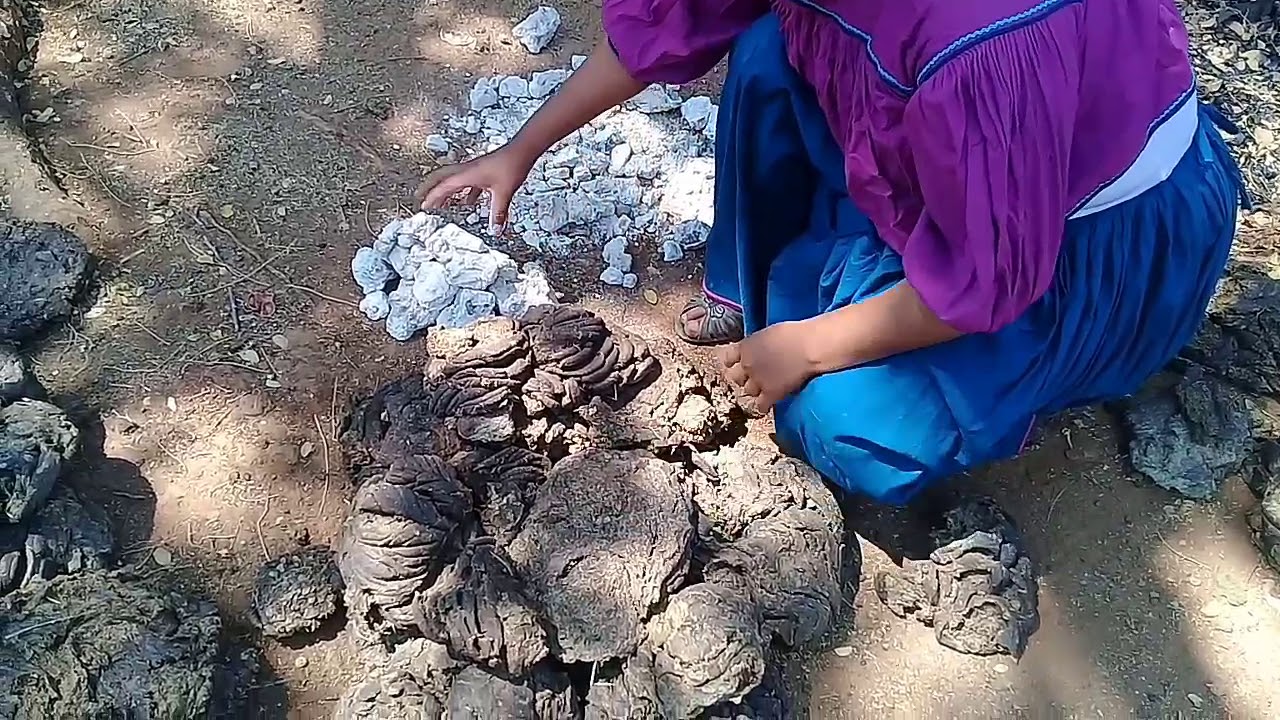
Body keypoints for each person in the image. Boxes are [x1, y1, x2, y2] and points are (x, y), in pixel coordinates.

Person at [416, 1, 1248, 506]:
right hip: (975, 161)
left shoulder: (979, 39)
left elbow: (990, 276)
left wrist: (806, 347)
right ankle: (777, 292)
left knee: (840, 422)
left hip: (1089, 243)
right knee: (774, 51)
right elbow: (671, 23)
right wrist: (522, 148)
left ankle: (1023, 384)